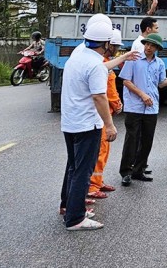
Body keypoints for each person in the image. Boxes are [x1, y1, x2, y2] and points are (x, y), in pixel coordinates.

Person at [60, 14, 117, 231]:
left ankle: (67, 206)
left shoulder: (78, 53)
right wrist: (109, 125)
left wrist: (123, 58)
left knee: (73, 167)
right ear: (106, 43)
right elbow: (99, 97)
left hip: (70, 122)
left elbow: (101, 67)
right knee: (83, 171)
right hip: (87, 124)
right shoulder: (95, 66)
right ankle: (76, 218)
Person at [118, 33, 167, 186]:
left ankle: (139, 169)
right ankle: (126, 171)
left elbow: (162, 83)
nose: (148, 47)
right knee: (132, 139)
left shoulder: (159, 63)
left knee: (147, 140)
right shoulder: (134, 59)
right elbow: (126, 81)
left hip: (151, 108)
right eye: (146, 44)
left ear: (157, 48)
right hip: (134, 106)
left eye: (152, 45)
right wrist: (142, 95)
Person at [88, 28, 124, 200]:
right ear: (109, 45)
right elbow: (108, 91)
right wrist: (117, 104)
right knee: (101, 149)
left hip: (102, 113)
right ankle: (93, 186)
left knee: (104, 149)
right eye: (116, 46)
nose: (117, 49)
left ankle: (98, 180)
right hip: (102, 115)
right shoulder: (103, 65)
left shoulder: (103, 62)